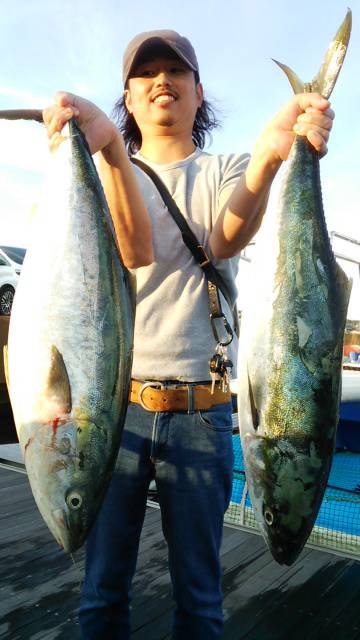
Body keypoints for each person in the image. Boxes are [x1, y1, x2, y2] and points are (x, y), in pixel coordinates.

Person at [43, 30, 334, 640]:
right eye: (146, 72)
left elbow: (226, 238)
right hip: (112, 415)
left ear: (200, 93)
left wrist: (272, 155)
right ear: (127, 95)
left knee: (201, 601)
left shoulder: (227, 169)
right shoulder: (96, 181)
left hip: (201, 414)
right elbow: (134, 248)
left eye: (176, 70)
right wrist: (97, 149)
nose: (161, 81)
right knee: (101, 597)